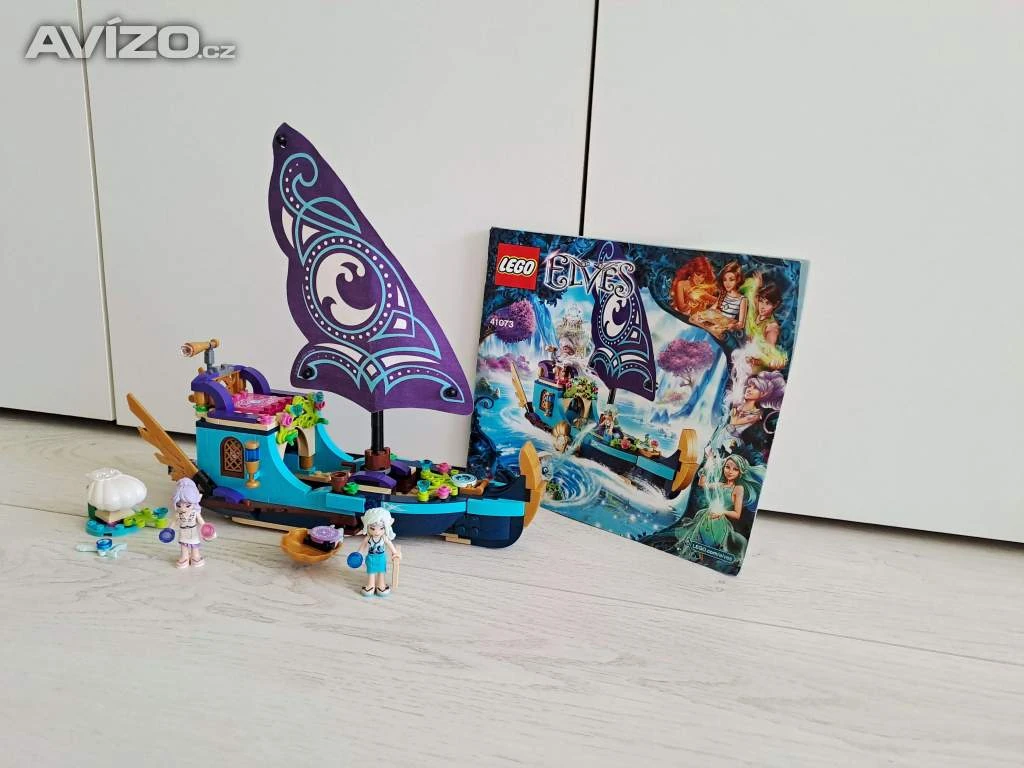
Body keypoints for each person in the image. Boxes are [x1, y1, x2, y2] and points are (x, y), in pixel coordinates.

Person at [672, 454, 764, 565]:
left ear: (740, 472)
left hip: (719, 523)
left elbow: (737, 514)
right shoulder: (720, 484)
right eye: (727, 467)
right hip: (704, 518)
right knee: (693, 547)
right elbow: (702, 484)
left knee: (710, 549)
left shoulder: (738, 489)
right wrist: (707, 466)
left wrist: (721, 512)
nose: (730, 471)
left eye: (735, 469)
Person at [356, 506, 401, 597]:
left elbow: (390, 545)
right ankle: (370, 585)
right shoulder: (368, 538)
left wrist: (395, 553)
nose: (376, 532)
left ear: (386, 527)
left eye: (381, 528)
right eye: (372, 528)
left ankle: (381, 585)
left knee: (381, 572)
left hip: (381, 558)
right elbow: (362, 547)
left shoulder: (384, 538)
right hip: (371, 558)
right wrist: (358, 554)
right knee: (371, 572)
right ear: (367, 527)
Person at [172, 478, 206, 568]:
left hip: (193, 532)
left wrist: (207, 529)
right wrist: (168, 530)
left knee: (194, 546)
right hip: (183, 532)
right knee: (183, 546)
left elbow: (201, 522)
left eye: (188, 505)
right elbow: (173, 522)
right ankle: (184, 557)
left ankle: (195, 557)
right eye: (179, 505)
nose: (183, 508)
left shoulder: (195, 513)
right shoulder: (178, 514)